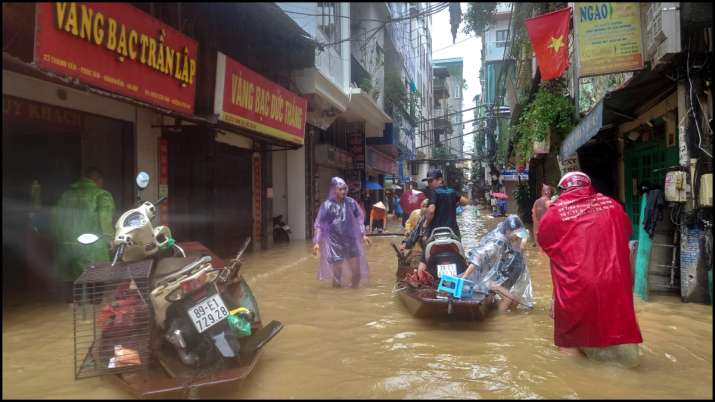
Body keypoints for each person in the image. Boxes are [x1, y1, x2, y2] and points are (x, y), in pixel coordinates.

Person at [538, 171, 643, 367]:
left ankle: (576, 381)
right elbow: (625, 233)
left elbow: (548, 247)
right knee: (620, 334)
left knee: (570, 341)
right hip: (614, 283)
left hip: (576, 287)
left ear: (562, 190)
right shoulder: (612, 206)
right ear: (589, 187)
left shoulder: (554, 213)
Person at [51, 167, 116, 304]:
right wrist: (109, 238)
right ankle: (94, 308)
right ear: (98, 180)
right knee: (96, 280)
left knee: (73, 285)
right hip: (92, 247)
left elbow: (56, 219)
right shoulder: (101, 195)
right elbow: (104, 217)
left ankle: (72, 310)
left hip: (67, 247)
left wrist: (59, 240)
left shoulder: (65, 195)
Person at [460, 215, 534, 312]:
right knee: (508, 298)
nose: (518, 236)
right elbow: (477, 258)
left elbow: (524, 237)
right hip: (484, 278)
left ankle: (496, 310)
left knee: (515, 300)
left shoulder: (507, 234)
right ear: (507, 231)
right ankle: (500, 320)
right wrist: (464, 278)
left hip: (496, 276)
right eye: (516, 234)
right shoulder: (496, 244)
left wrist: (523, 241)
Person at [312, 177, 371, 288]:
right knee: (337, 276)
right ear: (334, 190)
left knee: (357, 273)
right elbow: (319, 224)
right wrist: (317, 242)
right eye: (340, 189)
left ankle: (353, 296)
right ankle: (337, 298)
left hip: (351, 240)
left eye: (345, 189)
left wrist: (363, 234)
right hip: (335, 243)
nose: (343, 191)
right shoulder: (327, 205)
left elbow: (359, 218)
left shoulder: (351, 202)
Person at [421, 168, 468, 241]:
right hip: (453, 232)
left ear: (440, 180)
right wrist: (454, 203)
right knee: (459, 251)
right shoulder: (452, 191)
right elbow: (465, 202)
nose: (429, 184)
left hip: (436, 233)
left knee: (425, 246)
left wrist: (426, 224)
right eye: (428, 181)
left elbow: (431, 211)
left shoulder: (434, 192)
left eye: (431, 181)